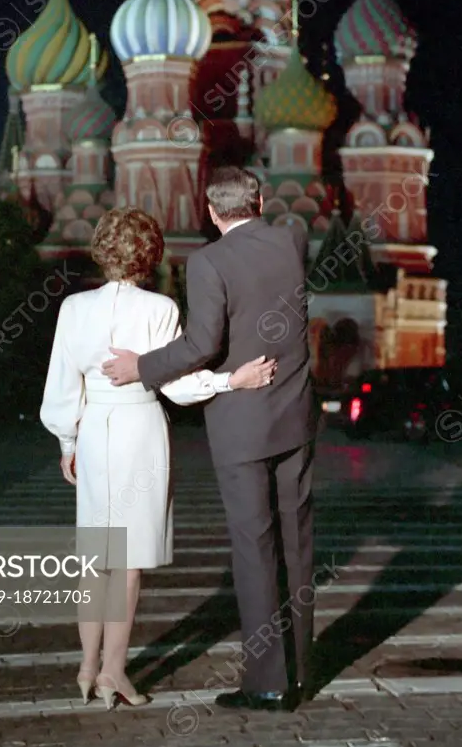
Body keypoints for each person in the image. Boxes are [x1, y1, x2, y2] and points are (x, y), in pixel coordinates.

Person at [40, 207, 277, 711]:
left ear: (101, 249)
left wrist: (67, 444)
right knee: (124, 565)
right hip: (139, 430)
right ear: (150, 255)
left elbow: (62, 386)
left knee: (96, 559)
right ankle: (113, 674)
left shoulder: (74, 308)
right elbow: (178, 383)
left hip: (93, 431)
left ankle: (85, 668)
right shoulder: (160, 307)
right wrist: (231, 380)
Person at [102, 166, 316, 712]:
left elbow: (202, 342)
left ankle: (267, 683)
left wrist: (141, 367)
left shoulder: (208, 261)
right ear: (261, 200)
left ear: (212, 212)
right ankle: (301, 673)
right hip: (294, 414)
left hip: (242, 421)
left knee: (254, 550)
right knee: (296, 543)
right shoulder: (293, 239)